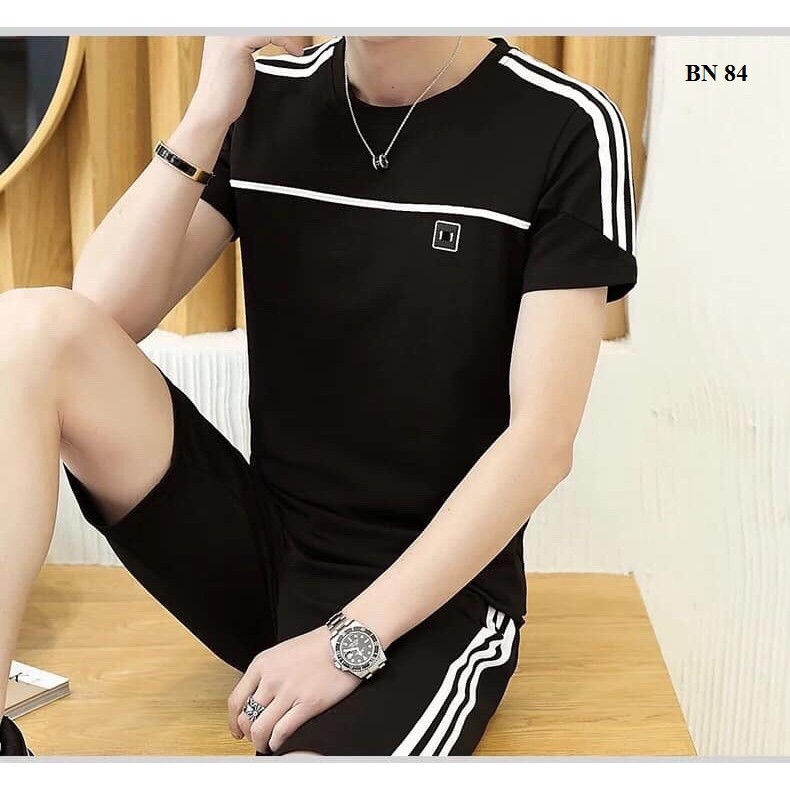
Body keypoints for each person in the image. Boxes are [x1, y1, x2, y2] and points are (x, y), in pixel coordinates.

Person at [0, 34, 637, 757]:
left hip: (434, 598)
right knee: (27, 331)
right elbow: (92, 323)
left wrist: (346, 642)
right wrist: (209, 111)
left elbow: (542, 444)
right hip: (263, 555)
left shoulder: (565, 125)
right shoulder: (268, 99)